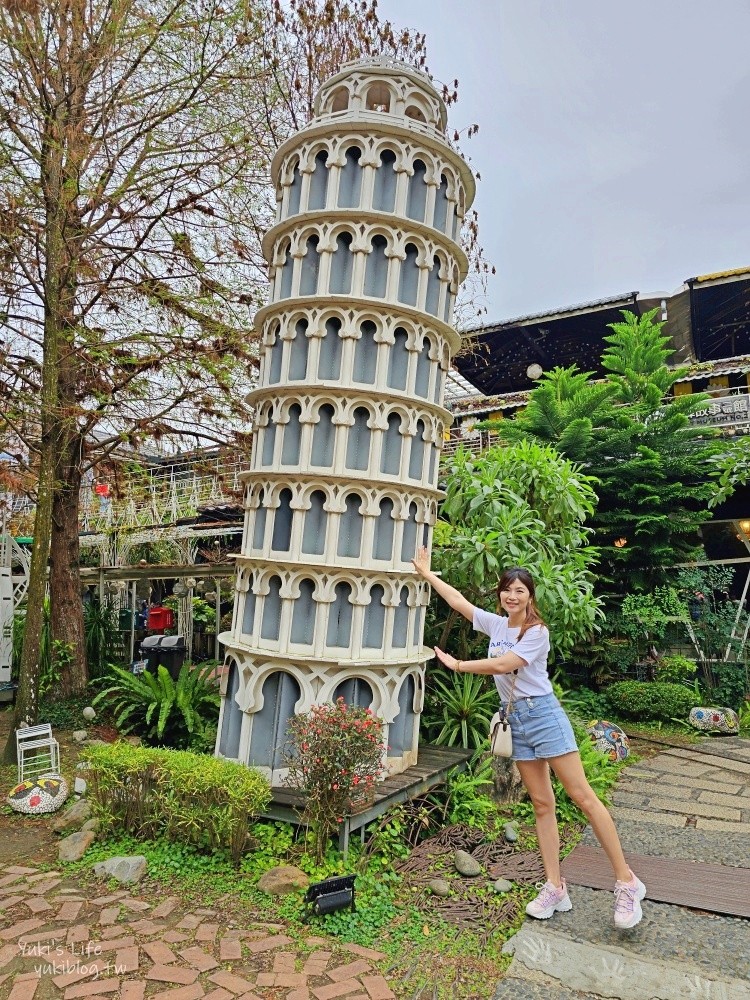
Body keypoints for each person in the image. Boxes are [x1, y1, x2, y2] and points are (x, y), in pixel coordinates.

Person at [412, 547, 646, 929]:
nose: (512, 596)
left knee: (583, 797)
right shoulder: (496, 624)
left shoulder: (537, 632)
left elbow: (506, 664)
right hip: (515, 720)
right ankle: (555, 886)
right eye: (507, 589)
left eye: (520, 590)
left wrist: (458, 664)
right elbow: (458, 602)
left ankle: (626, 881)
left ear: (530, 596)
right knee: (541, 803)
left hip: (544, 715)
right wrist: (426, 572)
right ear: (501, 594)